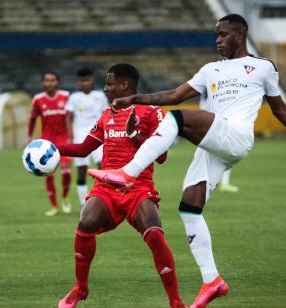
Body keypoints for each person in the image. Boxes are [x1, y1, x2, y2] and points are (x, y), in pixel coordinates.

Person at [89, 14, 286, 308]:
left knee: (177, 120)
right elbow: (176, 95)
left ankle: (128, 173)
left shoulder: (262, 67)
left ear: (239, 34)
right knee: (189, 208)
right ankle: (212, 280)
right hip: (216, 144)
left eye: (223, 34)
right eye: (215, 35)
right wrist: (135, 99)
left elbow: (280, 109)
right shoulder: (210, 70)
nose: (217, 40)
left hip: (236, 135)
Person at [56, 63, 185, 308]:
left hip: (138, 187)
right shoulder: (107, 115)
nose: (105, 89)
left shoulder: (152, 111)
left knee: (155, 234)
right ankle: (80, 289)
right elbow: (84, 149)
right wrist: (53, 147)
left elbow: (162, 156)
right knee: (85, 221)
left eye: (110, 84)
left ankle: (176, 302)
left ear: (125, 85)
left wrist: (136, 136)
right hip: (106, 187)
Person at [28, 72, 72, 216]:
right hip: (46, 143)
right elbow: (33, 119)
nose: (50, 83)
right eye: (47, 80)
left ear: (57, 82)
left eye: (52, 80)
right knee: (49, 174)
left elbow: (72, 118)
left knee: (66, 172)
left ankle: (65, 197)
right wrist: (29, 136)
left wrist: (72, 136)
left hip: (64, 140)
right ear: (43, 83)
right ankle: (54, 206)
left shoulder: (66, 96)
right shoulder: (38, 99)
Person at [65, 68, 108, 206]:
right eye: (82, 80)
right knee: (82, 170)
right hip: (80, 136)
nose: (85, 83)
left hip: (98, 135)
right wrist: (70, 137)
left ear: (92, 80)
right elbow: (69, 117)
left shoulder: (99, 96)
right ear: (78, 82)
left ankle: (104, 199)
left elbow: (106, 115)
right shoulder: (74, 97)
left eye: (87, 80)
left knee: (103, 168)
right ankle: (84, 203)